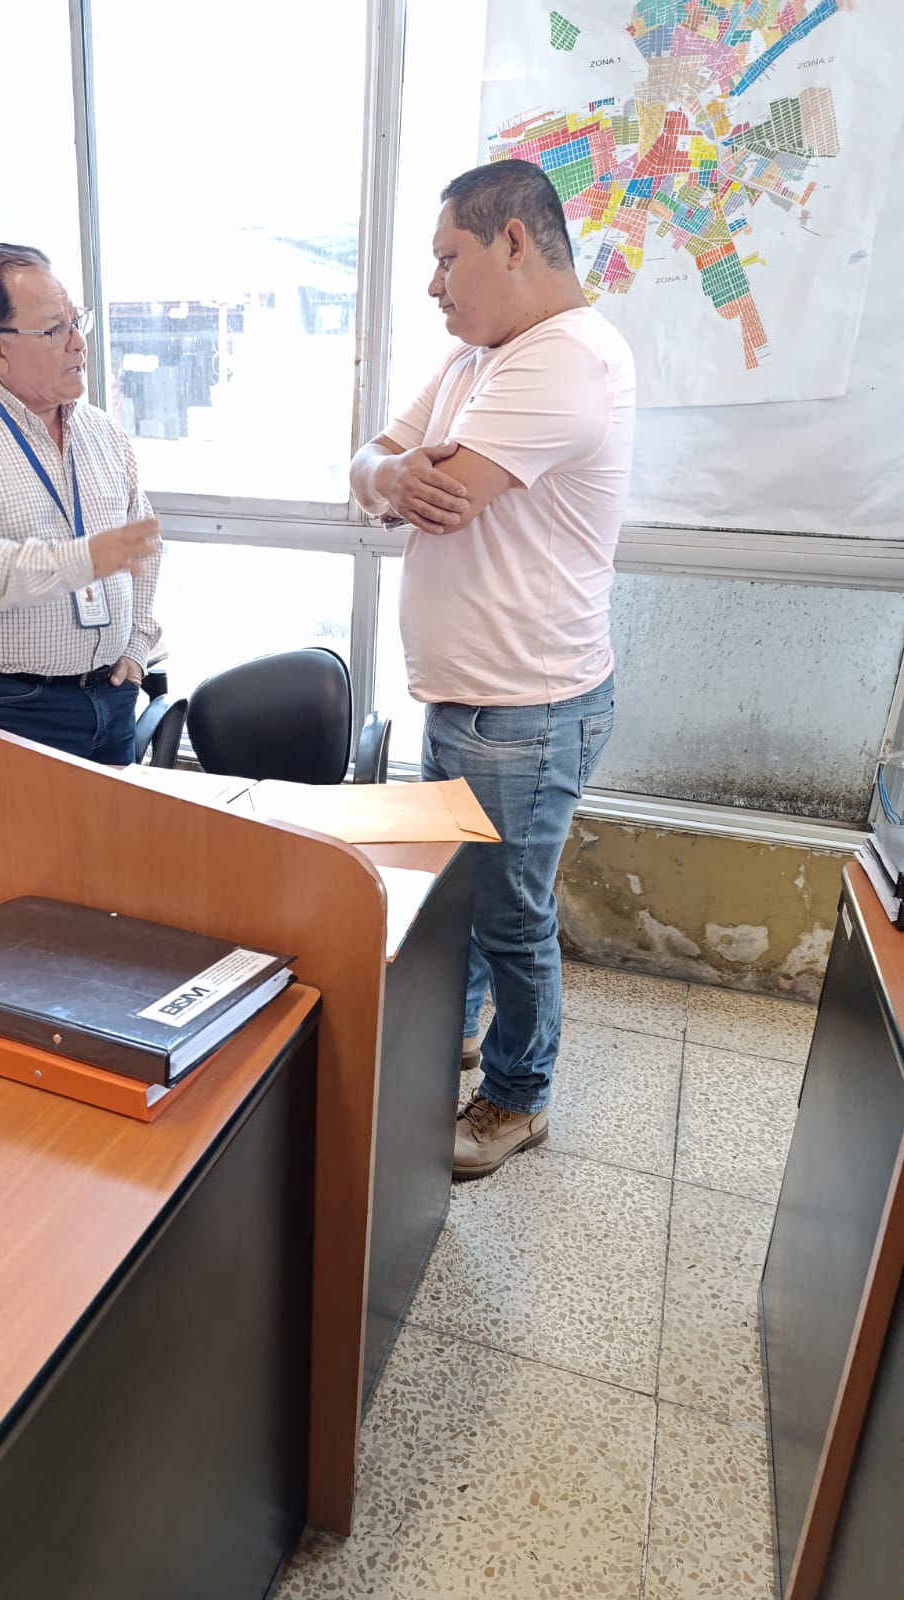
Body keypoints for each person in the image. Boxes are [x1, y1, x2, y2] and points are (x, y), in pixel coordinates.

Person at [350, 160, 635, 1179]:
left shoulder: (564, 360)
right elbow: (369, 468)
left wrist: (396, 477)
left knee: (511, 915)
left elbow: (447, 495)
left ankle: (519, 1098)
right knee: (463, 899)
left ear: (513, 241)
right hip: (470, 699)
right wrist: (387, 473)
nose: (434, 286)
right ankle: (460, 1036)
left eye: (446, 259)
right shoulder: (478, 357)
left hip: (526, 708)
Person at [0, 243, 161, 766]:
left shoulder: (102, 431)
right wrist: (86, 558)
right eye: (54, 330)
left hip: (112, 696)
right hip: (11, 705)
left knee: (112, 824)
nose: (78, 342)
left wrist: (137, 646)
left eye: (76, 321)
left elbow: (144, 544)